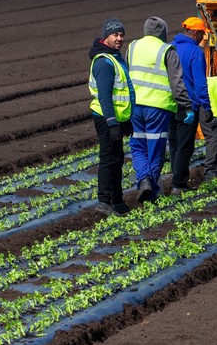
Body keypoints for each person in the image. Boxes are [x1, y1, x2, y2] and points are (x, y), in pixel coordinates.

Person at [125, 17, 192, 201]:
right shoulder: (167, 50)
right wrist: (186, 106)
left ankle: (144, 179)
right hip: (158, 108)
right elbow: (177, 83)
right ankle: (152, 190)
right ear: (163, 32)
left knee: (138, 147)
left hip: (135, 106)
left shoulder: (132, 47)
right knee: (156, 149)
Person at [88, 18, 135, 215]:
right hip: (106, 117)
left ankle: (117, 201)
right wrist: (112, 123)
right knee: (109, 159)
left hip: (117, 118)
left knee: (117, 159)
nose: (119, 38)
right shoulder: (104, 62)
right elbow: (105, 96)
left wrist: (126, 121)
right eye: (115, 34)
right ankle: (104, 201)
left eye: (121, 34)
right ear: (106, 36)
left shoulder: (114, 57)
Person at [169, 16, 210, 194]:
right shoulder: (195, 52)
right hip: (189, 106)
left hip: (170, 104)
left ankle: (176, 179)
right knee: (185, 146)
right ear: (195, 33)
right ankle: (178, 184)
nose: (203, 38)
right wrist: (206, 106)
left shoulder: (171, 47)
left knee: (174, 144)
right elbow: (200, 84)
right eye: (202, 34)